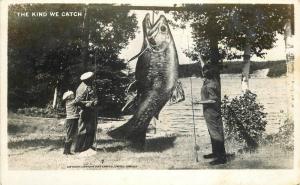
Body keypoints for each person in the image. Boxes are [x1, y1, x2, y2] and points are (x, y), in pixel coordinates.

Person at [198, 62, 227, 165]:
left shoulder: (210, 85)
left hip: (211, 111)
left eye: (203, 71)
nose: (202, 73)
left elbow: (213, 100)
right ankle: (215, 153)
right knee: (213, 132)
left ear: (206, 73)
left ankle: (221, 158)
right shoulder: (210, 81)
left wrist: (199, 102)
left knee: (215, 133)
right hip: (210, 111)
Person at [74, 72, 99, 153]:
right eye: (91, 78)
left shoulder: (91, 86)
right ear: (87, 79)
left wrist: (95, 101)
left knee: (92, 129)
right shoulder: (81, 88)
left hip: (92, 111)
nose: (93, 79)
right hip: (84, 111)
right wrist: (88, 103)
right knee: (82, 130)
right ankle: (78, 148)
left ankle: (88, 147)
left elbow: (94, 96)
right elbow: (77, 101)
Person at [62, 90, 79, 155]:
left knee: (71, 135)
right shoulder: (71, 102)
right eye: (72, 95)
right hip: (71, 120)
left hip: (73, 119)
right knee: (69, 135)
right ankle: (66, 151)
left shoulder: (70, 101)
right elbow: (79, 100)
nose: (73, 95)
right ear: (69, 97)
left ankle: (67, 151)